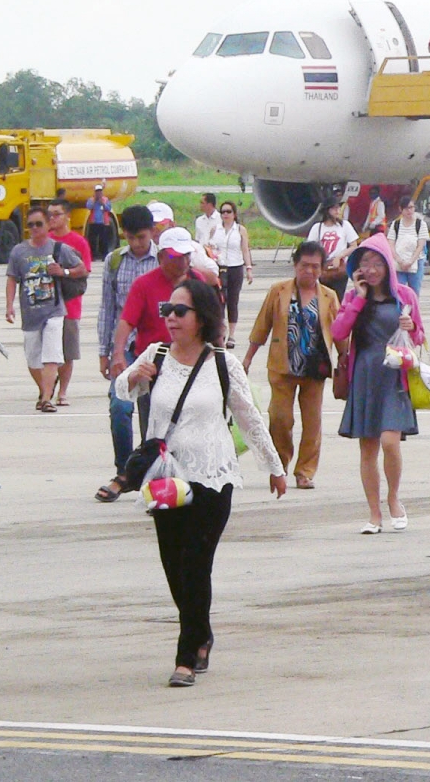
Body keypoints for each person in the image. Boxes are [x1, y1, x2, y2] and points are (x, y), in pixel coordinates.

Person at [126, 278, 285, 686]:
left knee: (196, 565)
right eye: (167, 310)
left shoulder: (222, 363)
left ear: (202, 317)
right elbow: (122, 392)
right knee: (174, 568)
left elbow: (248, 416)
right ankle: (202, 633)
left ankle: (185, 656)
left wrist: (274, 465)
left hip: (213, 478)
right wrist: (131, 378)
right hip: (166, 481)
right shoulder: (155, 355)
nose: (171, 318)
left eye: (180, 311)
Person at [333, 239, 426, 534]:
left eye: (376, 263)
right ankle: (374, 514)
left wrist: (413, 329)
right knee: (368, 448)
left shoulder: (405, 295)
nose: (371, 270)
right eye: (365, 264)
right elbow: (338, 332)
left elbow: (421, 336)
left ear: (387, 264)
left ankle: (393, 498)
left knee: (390, 441)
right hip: (365, 374)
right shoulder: (352, 297)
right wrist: (359, 299)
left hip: (394, 375)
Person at [99, 227, 196, 500]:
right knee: (149, 428)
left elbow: (215, 324)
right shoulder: (144, 284)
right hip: (153, 369)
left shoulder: (198, 283)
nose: (183, 262)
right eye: (176, 256)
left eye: (187, 255)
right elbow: (126, 321)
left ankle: (186, 483)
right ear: (162, 256)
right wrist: (117, 354)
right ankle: (132, 474)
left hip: (192, 368)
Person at [244, 241, 339, 489]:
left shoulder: (329, 296)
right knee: (280, 419)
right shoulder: (279, 291)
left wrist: (346, 359)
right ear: (295, 265)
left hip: (315, 368)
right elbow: (261, 325)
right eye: (304, 265)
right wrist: (248, 357)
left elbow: (339, 331)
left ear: (322, 268)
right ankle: (280, 466)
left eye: (315, 267)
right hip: (282, 367)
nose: (309, 271)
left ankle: (305, 471)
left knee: (312, 422)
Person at [2, 207, 84, 413]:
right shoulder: (19, 252)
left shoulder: (58, 248)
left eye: (39, 224)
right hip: (30, 313)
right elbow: (12, 278)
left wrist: (63, 271)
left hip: (54, 310)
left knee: (52, 355)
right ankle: (45, 388)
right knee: (32, 358)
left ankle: (47, 399)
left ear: (48, 225)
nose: (35, 229)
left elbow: (81, 268)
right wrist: (9, 305)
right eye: (30, 225)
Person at [98, 204, 158, 482]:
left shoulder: (163, 261)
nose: (136, 244)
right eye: (131, 238)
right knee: (119, 406)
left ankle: (151, 470)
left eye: (142, 238)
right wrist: (106, 352)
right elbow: (108, 309)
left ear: (153, 233)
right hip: (126, 349)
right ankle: (124, 470)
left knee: (153, 413)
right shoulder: (114, 261)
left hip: (156, 349)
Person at [46, 202, 95, 407]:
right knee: (47, 350)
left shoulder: (78, 242)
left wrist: (64, 272)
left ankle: (63, 391)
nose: (52, 219)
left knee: (67, 351)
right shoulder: (43, 241)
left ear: (67, 216)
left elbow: (85, 270)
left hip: (70, 304)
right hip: (46, 304)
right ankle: (46, 390)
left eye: (56, 215)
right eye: (49, 215)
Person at [209, 201, 253, 348]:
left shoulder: (240, 230)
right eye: (223, 212)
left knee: (233, 301)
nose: (225, 215)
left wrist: (248, 268)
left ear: (234, 214)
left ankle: (232, 335)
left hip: (235, 267)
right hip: (220, 267)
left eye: (228, 212)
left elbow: (245, 249)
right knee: (220, 300)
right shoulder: (215, 229)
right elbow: (210, 248)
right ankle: (221, 331)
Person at [305, 201, 359, 299]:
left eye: (338, 208)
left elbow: (354, 245)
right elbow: (310, 248)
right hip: (324, 269)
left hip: (339, 268)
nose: (337, 211)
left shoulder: (345, 225)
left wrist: (340, 256)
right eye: (334, 209)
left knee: (338, 297)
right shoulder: (317, 227)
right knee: (324, 297)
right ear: (327, 211)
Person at [386, 201, 430, 296]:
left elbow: (420, 246)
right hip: (399, 263)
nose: (409, 210)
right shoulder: (396, 224)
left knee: (414, 291)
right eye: (406, 208)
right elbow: (391, 244)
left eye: (411, 207)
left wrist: (411, 261)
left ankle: (413, 310)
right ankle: (400, 310)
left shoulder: (420, 224)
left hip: (416, 262)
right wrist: (400, 261)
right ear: (401, 209)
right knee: (399, 291)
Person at [85, 185, 116, 260]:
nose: (99, 193)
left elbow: (108, 208)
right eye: (97, 192)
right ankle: (93, 256)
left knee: (103, 240)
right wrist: (95, 201)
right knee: (92, 240)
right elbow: (88, 207)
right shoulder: (91, 200)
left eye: (100, 191)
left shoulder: (105, 200)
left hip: (103, 223)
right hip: (94, 223)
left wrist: (103, 204)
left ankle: (104, 256)